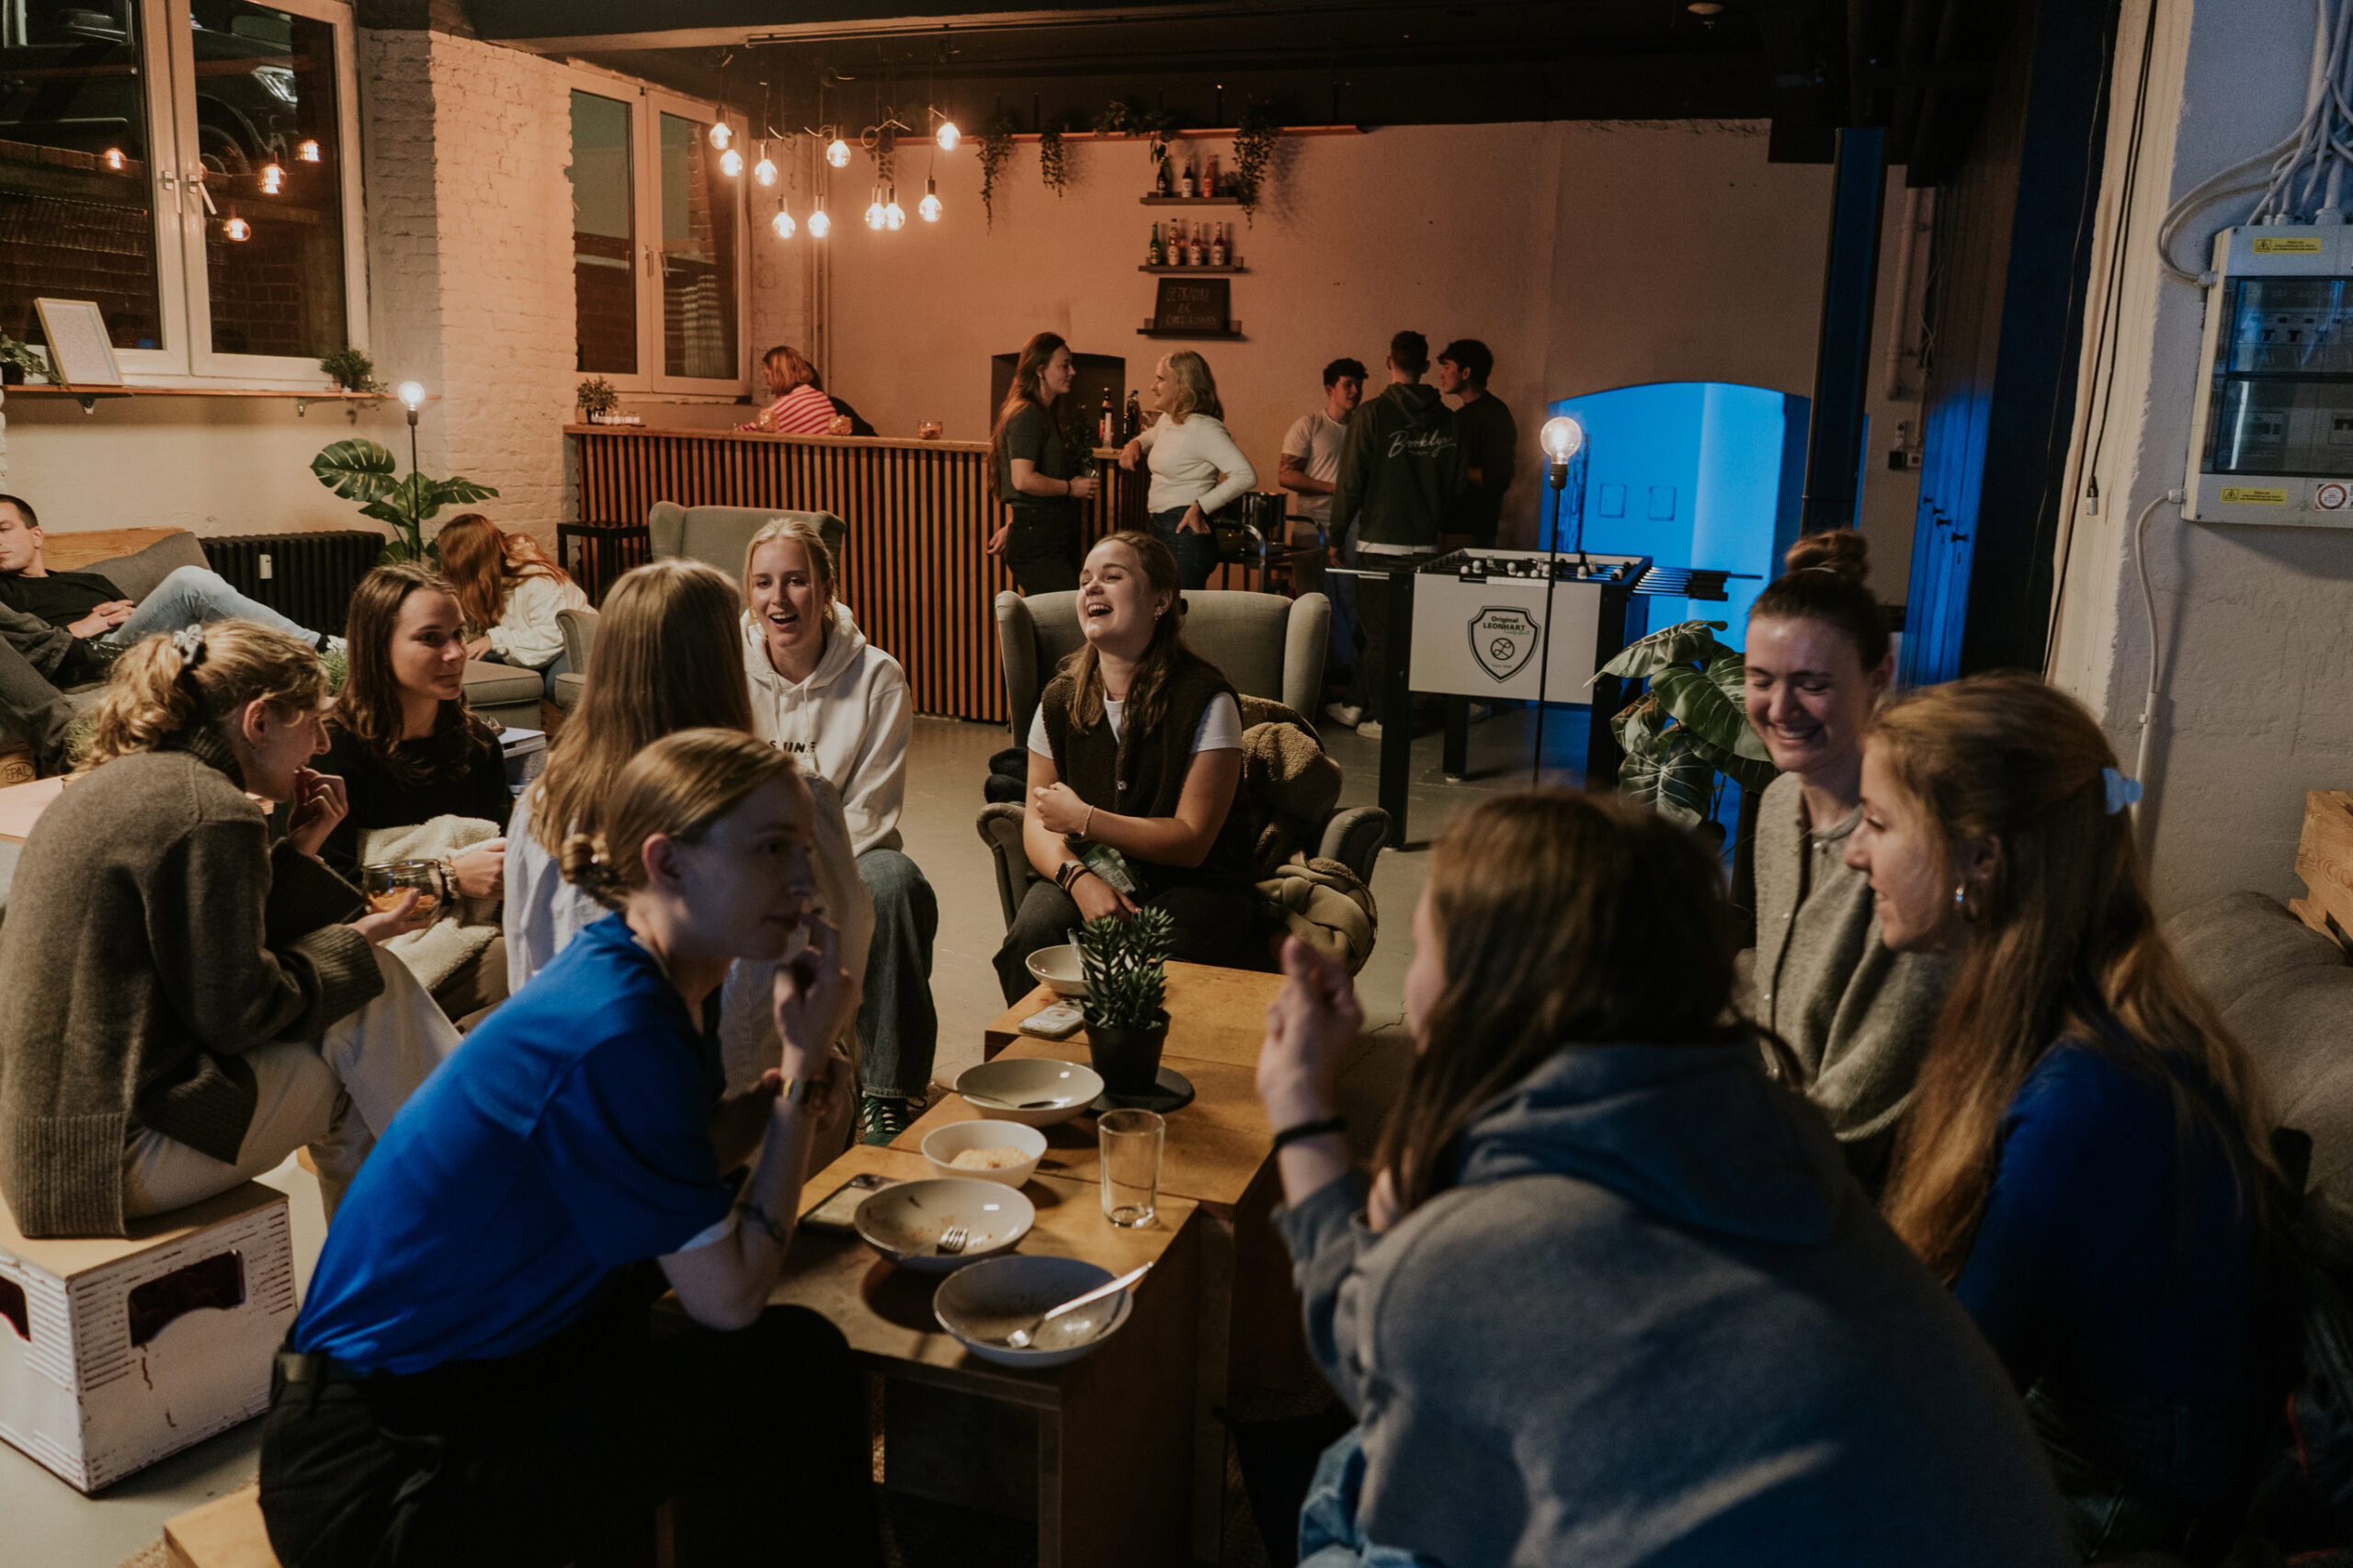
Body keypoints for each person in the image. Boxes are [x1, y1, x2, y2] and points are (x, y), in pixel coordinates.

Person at [1256, 790, 2076, 1566]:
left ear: (1487, 992)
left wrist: (1300, 1105)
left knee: (1354, 1504)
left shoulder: (1494, 1247)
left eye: (1424, 947)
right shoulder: (1762, 1131)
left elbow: (1364, 1337)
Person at [257, 730, 878, 1568]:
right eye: (773, 850)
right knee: (794, 1365)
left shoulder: (633, 972)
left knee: (673, 1320)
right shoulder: (620, 1026)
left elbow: (669, 1161)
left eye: (804, 847)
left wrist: (775, 1106)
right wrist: (799, 1077)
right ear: (668, 864)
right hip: (379, 1476)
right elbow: (729, 1297)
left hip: (439, 1395)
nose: (805, 881)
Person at [1848, 675, 2283, 1558]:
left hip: (2113, 1512)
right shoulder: (2056, 1017)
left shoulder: (2089, 1098)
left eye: (1879, 823)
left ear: (1980, 857)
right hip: (2059, 1450)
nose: (1855, 853)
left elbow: (1955, 1394)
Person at [0, 620, 450, 1237]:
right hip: (107, 1163)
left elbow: (207, 955)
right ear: (259, 721)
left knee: (367, 1001)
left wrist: (301, 851)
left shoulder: (120, 785)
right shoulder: (211, 811)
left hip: (53, 1150)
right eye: (314, 722)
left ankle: (450, 1200)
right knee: (367, 1017)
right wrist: (354, 944)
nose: (323, 744)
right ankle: (478, 1182)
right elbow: (237, 1014)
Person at [506, 561, 872, 1092]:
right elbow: (844, 957)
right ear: (725, 662)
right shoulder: (788, 799)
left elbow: (525, 974)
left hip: (574, 1093)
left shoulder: (541, 806)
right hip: (759, 1096)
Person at [1742, 530, 1950, 1191]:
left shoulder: (1911, 844)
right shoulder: (1778, 803)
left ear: (1879, 676)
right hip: (1780, 1144)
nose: (1780, 709)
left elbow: (1861, 1112)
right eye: (1759, 680)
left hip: (1852, 1187)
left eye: (1812, 684)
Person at [993, 530, 1259, 1003]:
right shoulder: (1058, 699)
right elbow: (1037, 820)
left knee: (1147, 961)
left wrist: (1086, 819)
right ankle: (1041, 1050)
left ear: (1161, 601)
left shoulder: (1206, 699)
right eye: (1085, 580)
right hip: (1084, 866)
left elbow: (1192, 841)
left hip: (1195, 884)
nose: (1092, 587)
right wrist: (1078, 880)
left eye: (1112, 577)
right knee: (1030, 939)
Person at [741, 517, 938, 1145]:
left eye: (796, 581)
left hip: (852, 855)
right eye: (763, 583)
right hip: (750, 859)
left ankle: (886, 1093)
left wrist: (802, 879)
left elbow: (872, 811)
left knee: (896, 883)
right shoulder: (726, 668)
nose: (778, 599)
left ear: (827, 588)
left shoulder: (878, 676)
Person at [322, 564, 514, 1020]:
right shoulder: (330, 750)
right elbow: (325, 896)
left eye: (458, 634)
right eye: (430, 638)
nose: (455, 653)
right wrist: (444, 878)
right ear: (377, 647)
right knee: (517, 968)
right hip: (376, 954)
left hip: (471, 933)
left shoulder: (478, 746)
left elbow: (504, 857)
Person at [1322, 333, 1463, 739]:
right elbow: (1456, 486)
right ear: (1425, 366)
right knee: (1385, 630)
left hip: (1379, 542)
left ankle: (1387, 720)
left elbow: (1350, 482)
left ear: (1389, 362)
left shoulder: (1373, 413)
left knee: (1381, 634)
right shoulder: (1448, 420)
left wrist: (1336, 535)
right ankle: (1353, 703)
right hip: (1425, 544)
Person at [0, 493, 340, 658]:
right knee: (189, 581)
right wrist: (81, 628)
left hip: (147, 645)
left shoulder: (87, 582)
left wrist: (133, 617)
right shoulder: (5, 595)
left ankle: (308, 656)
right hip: (95, 656)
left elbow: (137, 616)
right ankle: (320, 647)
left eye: (4, 529)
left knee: (240, 650)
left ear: (36, 535)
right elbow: (19, 657)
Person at [1117, 350, 1256, 591]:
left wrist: (1201, 506)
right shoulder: (1168, 420)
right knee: (1162, 605)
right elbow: (1151, 436)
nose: (1153, 386)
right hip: (1160, 524)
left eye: (1161, 379)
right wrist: (1135, 443)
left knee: (1181, 609)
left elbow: (1246, 476)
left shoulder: (1205, 428)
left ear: (1183, 385)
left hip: (1184, 529)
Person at [987, 332, 1098, 597]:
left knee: (1061, 612)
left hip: (1041, 533)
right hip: (1038, 539)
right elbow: (1023, 480)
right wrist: (1071, 487)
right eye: (1064, 365)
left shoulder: (1041, 412)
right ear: (1039, 370)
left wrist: (1012, 525)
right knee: (1069, 611)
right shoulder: (1027, 414)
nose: (1072, 372)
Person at [435, 513, 589, 695]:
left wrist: (495, 640)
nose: (445, 565)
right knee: (472, 665)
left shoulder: (538, 580)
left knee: (556, 683)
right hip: (528, 648)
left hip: (574, 643)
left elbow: (551, 637)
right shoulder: (483, 584)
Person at [1279, 358, 1366, 638]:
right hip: (1312, 525)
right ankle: (1315, 658)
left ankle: (1346, 660)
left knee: (1351, 598)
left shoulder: (1364, 428)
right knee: (1313, 599)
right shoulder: (1310, 425)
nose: (1355, 391)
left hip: (1353, 525)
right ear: (1330, 389)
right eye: (1348, 385)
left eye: (1358, 385)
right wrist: (1333, 488)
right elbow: (1286, 475)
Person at [1434, 338, 1518, 553]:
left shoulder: (1495, 414)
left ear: (1465, 372)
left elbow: (1498, 477)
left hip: (1472, 532)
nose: (1441, 375)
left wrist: (1451, 469)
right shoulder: (1458, 416)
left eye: (1447, 367)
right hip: (1450, 527)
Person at [737, 345, 836, 435]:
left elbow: (745, 433)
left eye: (767, 376)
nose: (767, 382)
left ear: (778, 374)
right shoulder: (821, 397)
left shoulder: (791, 403)